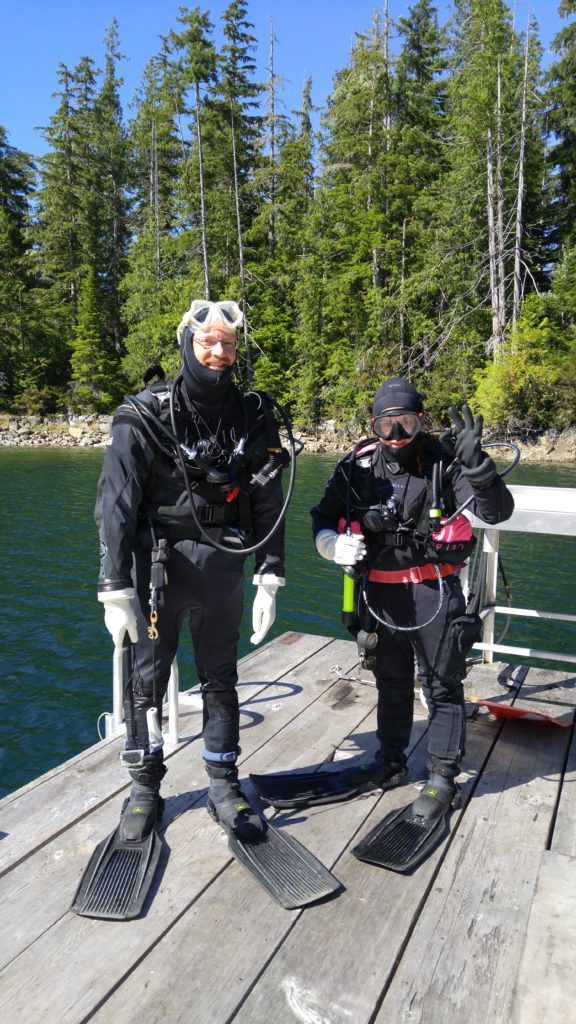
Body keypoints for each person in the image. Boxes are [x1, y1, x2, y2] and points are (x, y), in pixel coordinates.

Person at [96, 299, 288, 842]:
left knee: (221, 677)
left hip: (223, 565)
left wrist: (270, 572)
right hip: (155, 568)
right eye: (208, 342)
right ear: (187, 341)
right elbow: (114, 501)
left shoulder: (253, 413)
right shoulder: (145, 412)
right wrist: (113, 585)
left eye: (228, 343)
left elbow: (271, 497)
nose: (219, 353)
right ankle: (145, 789)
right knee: (146, 682)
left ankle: (223, 783)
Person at [311, 376, 514, 818]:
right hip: (380, 596)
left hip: (434, 592)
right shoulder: (357, 468)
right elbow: (322, 517)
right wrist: (330, 544)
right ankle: (390, 761)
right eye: (388, 426)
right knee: (392, 683)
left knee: (443, 685)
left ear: (421, 422)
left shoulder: (445, 464)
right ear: (373, 425)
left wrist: (477, 464)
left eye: (407, 423)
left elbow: (498, 512)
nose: (398, 436)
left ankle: (443, 776)